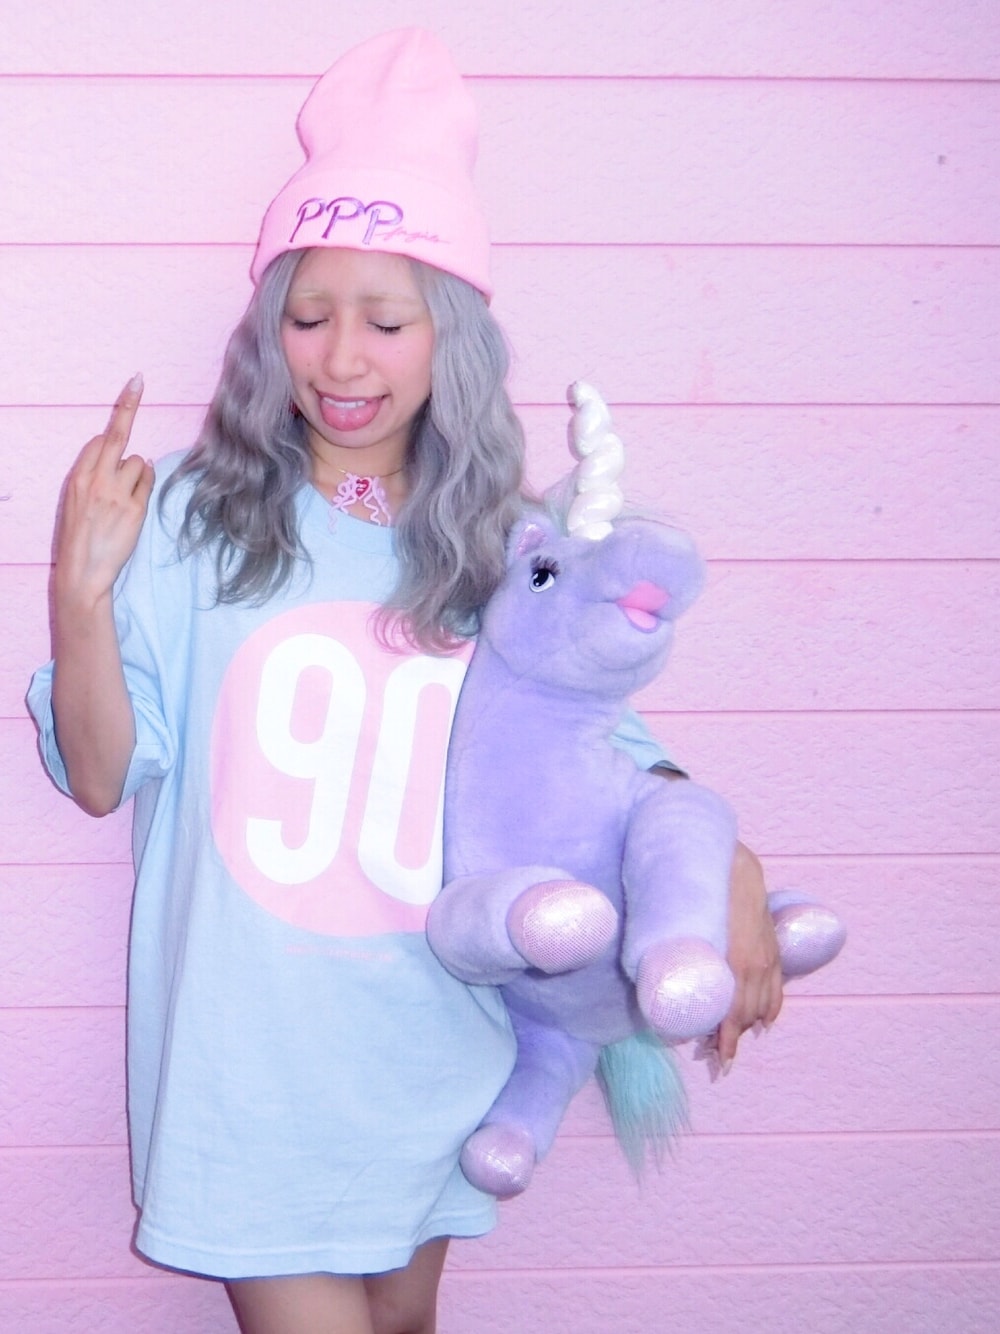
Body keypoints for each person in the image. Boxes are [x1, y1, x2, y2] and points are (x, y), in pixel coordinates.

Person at [28, 28, 781, 1334]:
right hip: (249, 1075)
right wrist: (79, 594)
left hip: (437, 1050)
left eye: (386, 321)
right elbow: (99, 777)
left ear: (452, 341)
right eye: (308, 317)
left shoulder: (501, 542)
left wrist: (739, 875)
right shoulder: (195, 519)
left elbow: (596, 743)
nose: (342, 361)